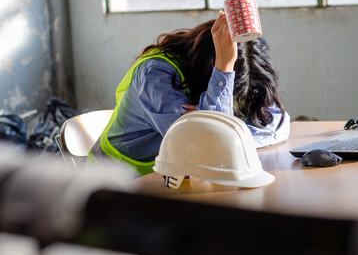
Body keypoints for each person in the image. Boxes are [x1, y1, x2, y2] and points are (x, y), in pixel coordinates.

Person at [88, 12, 290, 175]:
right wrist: (223, 70)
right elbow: (207, 148)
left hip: (174, 178)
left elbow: (279, 123)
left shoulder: (244, 71)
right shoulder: (155, 74)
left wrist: (234, 136)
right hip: (117, 182)